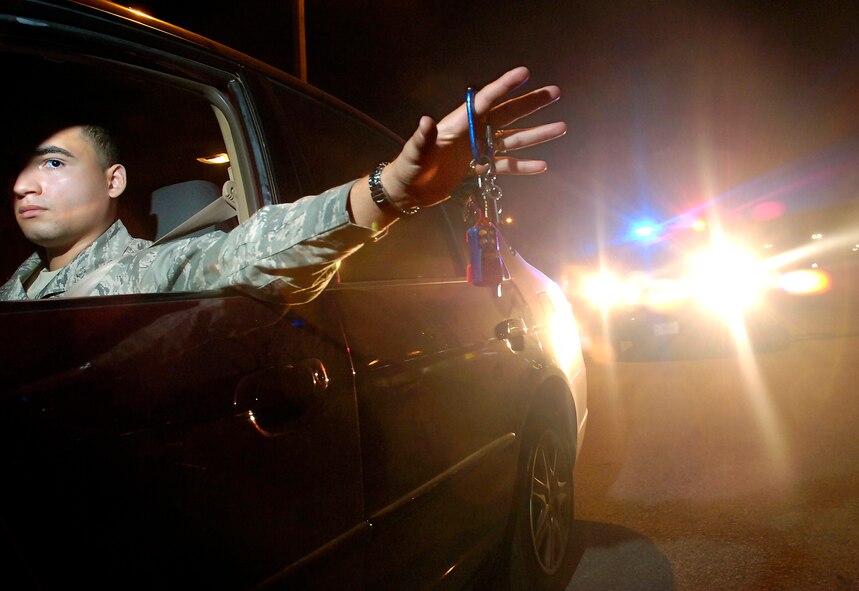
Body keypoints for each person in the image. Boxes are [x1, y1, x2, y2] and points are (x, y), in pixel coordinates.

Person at [0, 66, 566, 302]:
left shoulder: (148, 275)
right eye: (22, 166)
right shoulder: (11, 293)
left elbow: (248, 252)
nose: (25, 183)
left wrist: (391, 188)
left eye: (53, 164)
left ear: (114, 179)